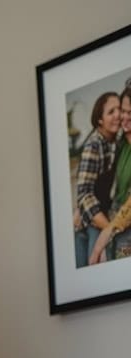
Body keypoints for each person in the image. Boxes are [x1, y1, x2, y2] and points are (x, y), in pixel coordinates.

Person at [74, 91, 122, 267]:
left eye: (119, 109)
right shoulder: (93, 144)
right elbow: (84, 194)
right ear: (100, 120)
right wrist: (109, 228)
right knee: (92, 267)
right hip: (92, 220)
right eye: (111, 112)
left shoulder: (115, 142)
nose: (118, 115)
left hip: (103, 214)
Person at [90, 86, 131, 264]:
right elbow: (106, 178)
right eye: (124, 110)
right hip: (116, 216)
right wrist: (81, 206)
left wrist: (107, 233)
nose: (125, 117)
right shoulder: (121, 143)